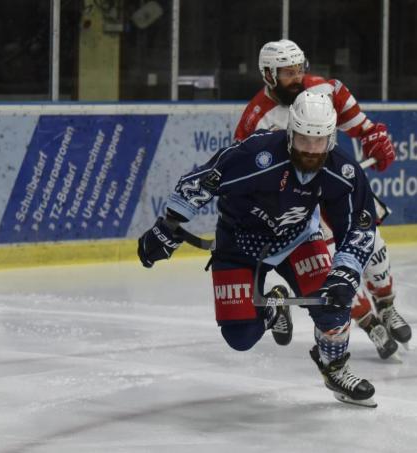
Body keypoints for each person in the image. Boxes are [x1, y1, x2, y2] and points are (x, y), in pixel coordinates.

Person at [138, 91, 379, 407]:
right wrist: (167, 226)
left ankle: (334, 367)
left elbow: (360, 229)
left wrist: (344, 274)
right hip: (239, 245)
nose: (310, 150)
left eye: (319, 141)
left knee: (334, 303)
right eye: (304, 139)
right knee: (240, 338)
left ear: (331, 138)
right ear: (291, 132)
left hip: (299, 241)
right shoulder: (257, 154)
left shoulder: (343, 172)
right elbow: (205, 180)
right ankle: (273, 309)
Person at [234, 39, 412, 360]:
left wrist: (373, 136)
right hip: (303, 207)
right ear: (269, 75)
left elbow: (354, 117)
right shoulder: (256, 121)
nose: (297, 77)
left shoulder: (323, 90)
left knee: (373, 248)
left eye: (299, 68)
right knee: (333, 270)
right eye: (288, 72)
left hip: (336, 189)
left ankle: (386, 308)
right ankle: (369, 322)